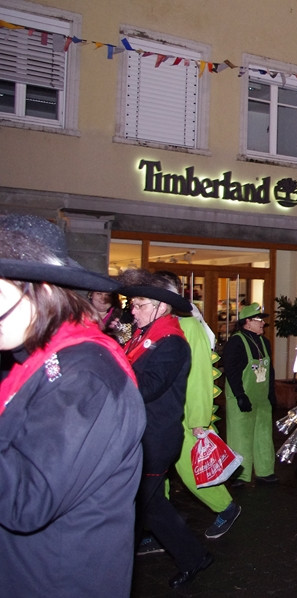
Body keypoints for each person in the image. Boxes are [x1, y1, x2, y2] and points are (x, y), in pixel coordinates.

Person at [0, 213, 145, 597]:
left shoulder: (87, 376)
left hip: (56, 580)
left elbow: (26, 501)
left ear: (44, 290)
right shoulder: (32, 357)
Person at [120, 270, 213, 589]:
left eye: (139, 303)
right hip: (142, 435)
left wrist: (108, 372)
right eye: (132, 303)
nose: (132, 309)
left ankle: (117, 569)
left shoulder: (171, 342)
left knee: (136, 505)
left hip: (155, 439)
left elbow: (148, 387)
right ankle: (194, 556)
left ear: (160, 306)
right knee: (150, 505)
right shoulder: (144, 335)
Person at [155, 271, 240, 540]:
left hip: (183, 414)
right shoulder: (148, 328)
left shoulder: (189, 326)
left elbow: (200, 375)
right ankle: (157, 524)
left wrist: (199, 420)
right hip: (157, 414)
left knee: (190, 468)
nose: (134, 308)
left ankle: (225, 507)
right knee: (155, 474)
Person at [222, 302, 278, 486]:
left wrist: (271, 394)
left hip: (261, 398)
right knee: (241, 436)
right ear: (247, 322)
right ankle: (240, 474)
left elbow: (270, 371)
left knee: (263, 435)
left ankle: (265, 471)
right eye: (259, 319)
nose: (263, 323)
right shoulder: (236, 342)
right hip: (242, 397)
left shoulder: (264, 342)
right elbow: (231, 370)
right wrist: (239, 394)